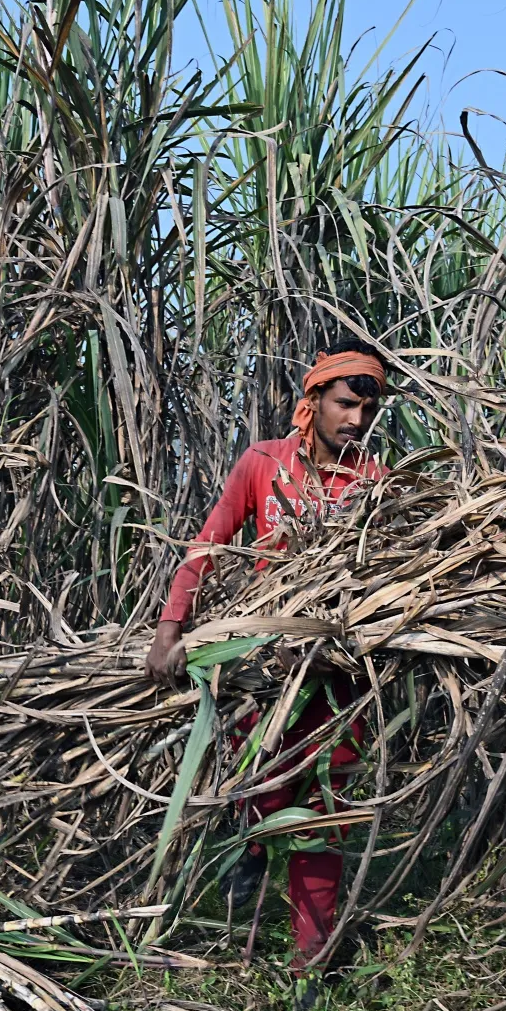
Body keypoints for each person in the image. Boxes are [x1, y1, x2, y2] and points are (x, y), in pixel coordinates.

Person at [146, 338, 390, 976]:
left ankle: (313, 960)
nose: (356, 422)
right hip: (263, 673)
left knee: (328, 810)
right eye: (344, 405)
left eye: (368, 410)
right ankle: (241, 916)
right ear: (313, 400)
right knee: (260, 796)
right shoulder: (262, 464)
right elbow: (209, 543)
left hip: (340, 681)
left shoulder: (377, 484)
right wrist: (171, 626)